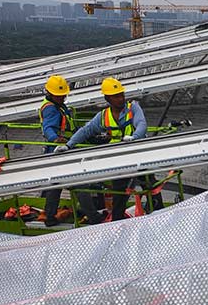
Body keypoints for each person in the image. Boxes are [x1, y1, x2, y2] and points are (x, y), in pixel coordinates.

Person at [57, 77, 148, 221]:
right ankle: (117, 221)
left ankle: (157, 209)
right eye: (116, 96)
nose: (120, 99)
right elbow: (86, 130)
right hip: (120, 159)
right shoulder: (103, 116)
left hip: (138, 153)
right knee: (120, 192)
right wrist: (69, 145)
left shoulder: (133, 107)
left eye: (121, 95)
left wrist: (135, 137)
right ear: (108, 99)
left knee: (150, 184)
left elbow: (141, 124)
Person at [36, 74, 76, 227]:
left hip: (63, 147)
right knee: (59, 184)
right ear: (50, 93)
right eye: (59, 95)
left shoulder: (58, 105)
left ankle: (50, 215)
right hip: (57, 150)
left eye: (63, 95)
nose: (62, 97)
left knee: (56, 184)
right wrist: (55, 139)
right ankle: (50, 216)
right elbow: (48, 127)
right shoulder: (51, 109)